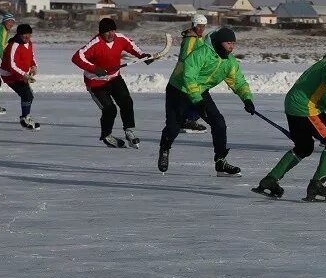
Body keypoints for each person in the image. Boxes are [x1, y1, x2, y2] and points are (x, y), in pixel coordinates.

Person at [252, 31, 326, 201]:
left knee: (304, 147)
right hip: (305, 107)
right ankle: (317, 185)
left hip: (293, 103)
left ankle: (270, 180)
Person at [158, 27, 254, 175]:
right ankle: (165, 148)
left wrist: (247, 99)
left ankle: (220, 161)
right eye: (228, 43)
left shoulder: (229, 61)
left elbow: (238, 82)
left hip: (201, 91)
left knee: (219, 123)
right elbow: (188, 76)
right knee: (173, 127)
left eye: (233, 43)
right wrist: (197, 100)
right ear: (219, 42)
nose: (232, 47)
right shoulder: (201, 53)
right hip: (179, 89)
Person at [71, 17, 153, 148]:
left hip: (114, 78)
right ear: (101, 33)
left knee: (126, 101)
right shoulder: (95, 43)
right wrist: (94, 68)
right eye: (107, 32)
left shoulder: (120, 38)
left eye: (113, 31)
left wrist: (142, 56)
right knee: (110, 110)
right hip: (96, 83)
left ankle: (129, 131)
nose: (111, 34)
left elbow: (131, 46)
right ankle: (107, 136)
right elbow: (76, 57)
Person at [172, 14, 210, 134]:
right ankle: (188, 120)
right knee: (199, 98)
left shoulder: (198, 38)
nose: (201, 28)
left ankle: (185, 120)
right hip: (188, 74)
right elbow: (185, 59)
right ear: (194, 25)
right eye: (199, 26)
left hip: (194, 74)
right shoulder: (191, 39)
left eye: (203, 26)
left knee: (190, 99)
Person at [0, 23, 39, 130]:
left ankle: (26, 117)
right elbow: (12, 65)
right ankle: (25, 120)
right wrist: (24, 75)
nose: (27, 38)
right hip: (10, 75)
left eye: (29, 35)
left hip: (21, 74)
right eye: (24, 35)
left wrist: (34, 66)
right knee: (26, 95)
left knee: (29, 95)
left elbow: (32, 56)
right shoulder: (14, 45)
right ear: (19, 35)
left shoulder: (29, 43)